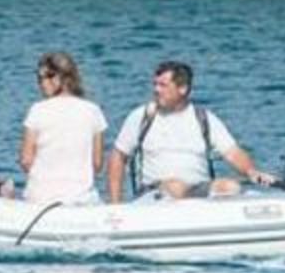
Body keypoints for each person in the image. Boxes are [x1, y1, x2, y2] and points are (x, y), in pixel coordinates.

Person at [105, 61, 273, 201]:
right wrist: (115, 204)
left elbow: (233, 153)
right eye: (155, 84)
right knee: (175, 187)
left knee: (230, 186)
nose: (156, 90)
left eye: (163, 85)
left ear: (182, 89)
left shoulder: (204, 118)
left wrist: (251, 171)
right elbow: (117, 158)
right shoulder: (141, 117)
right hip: (155, 191)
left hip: (198, 188)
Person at [19, 51, 105, 204]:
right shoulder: (93, 111)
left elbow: (26, 160)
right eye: (39, 78)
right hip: (81, 198)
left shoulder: (37, 110)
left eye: (47, 77)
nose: (41, 83)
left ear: (62, 78)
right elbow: (97, 164)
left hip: (40, 198)